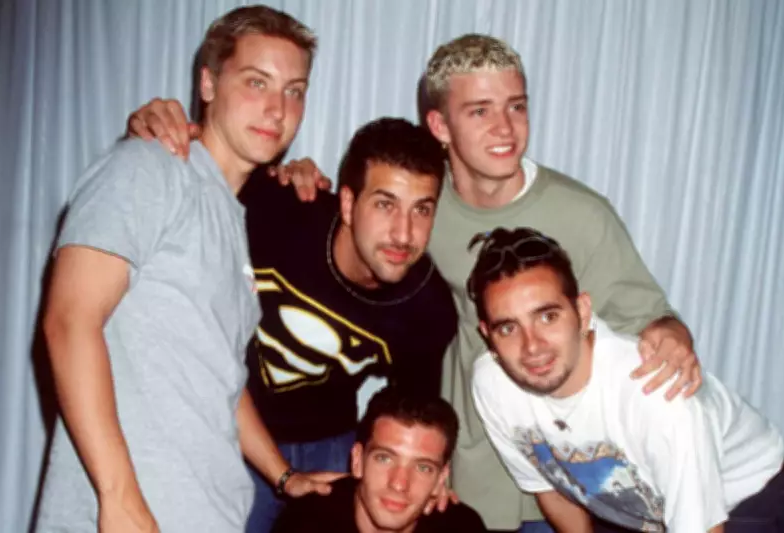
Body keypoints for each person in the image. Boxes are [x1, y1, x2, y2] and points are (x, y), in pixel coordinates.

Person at [124, 33, 701, 532]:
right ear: (440, 125)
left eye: (516, 106)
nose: (404, 231)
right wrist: (158, 131)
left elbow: (647, 313)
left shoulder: (572, 220)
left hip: (538, 466)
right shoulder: (301, 203)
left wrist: (672, 333)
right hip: (243, 423)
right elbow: (208, 175)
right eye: (479, 110)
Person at [35, 6, 337, 532]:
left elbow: (221, 378)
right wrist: (119, 498)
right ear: (208, 83)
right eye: (256, 82)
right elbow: (69, 321)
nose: (277, 109)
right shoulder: (149, 168)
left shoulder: (233, 215)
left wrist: (284, 475)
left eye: (294, 90)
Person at [468, 227, 784, 532]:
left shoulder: (654, 397)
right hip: (637, 503)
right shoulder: (492, 385)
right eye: (508, 328)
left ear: (583, 312)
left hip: (741, 494)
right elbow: (551, 490)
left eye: (548, 316)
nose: (532, 346)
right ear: (487, 335)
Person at [237, 117, 456, 531]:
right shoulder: (277, 211)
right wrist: (157, 128)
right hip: (233, 426)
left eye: (421, 210)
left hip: (332, 444)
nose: (403, 234)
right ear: (349, 204)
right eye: (385, 204)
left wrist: (430, 476)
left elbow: (411, 416)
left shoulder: (427, 308)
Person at [272, 387, 487, 532]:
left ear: (441, 478)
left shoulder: (461, 527)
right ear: (358, 461)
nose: (399, 484)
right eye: (384, 459)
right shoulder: (306, 522)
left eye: (423, 467)